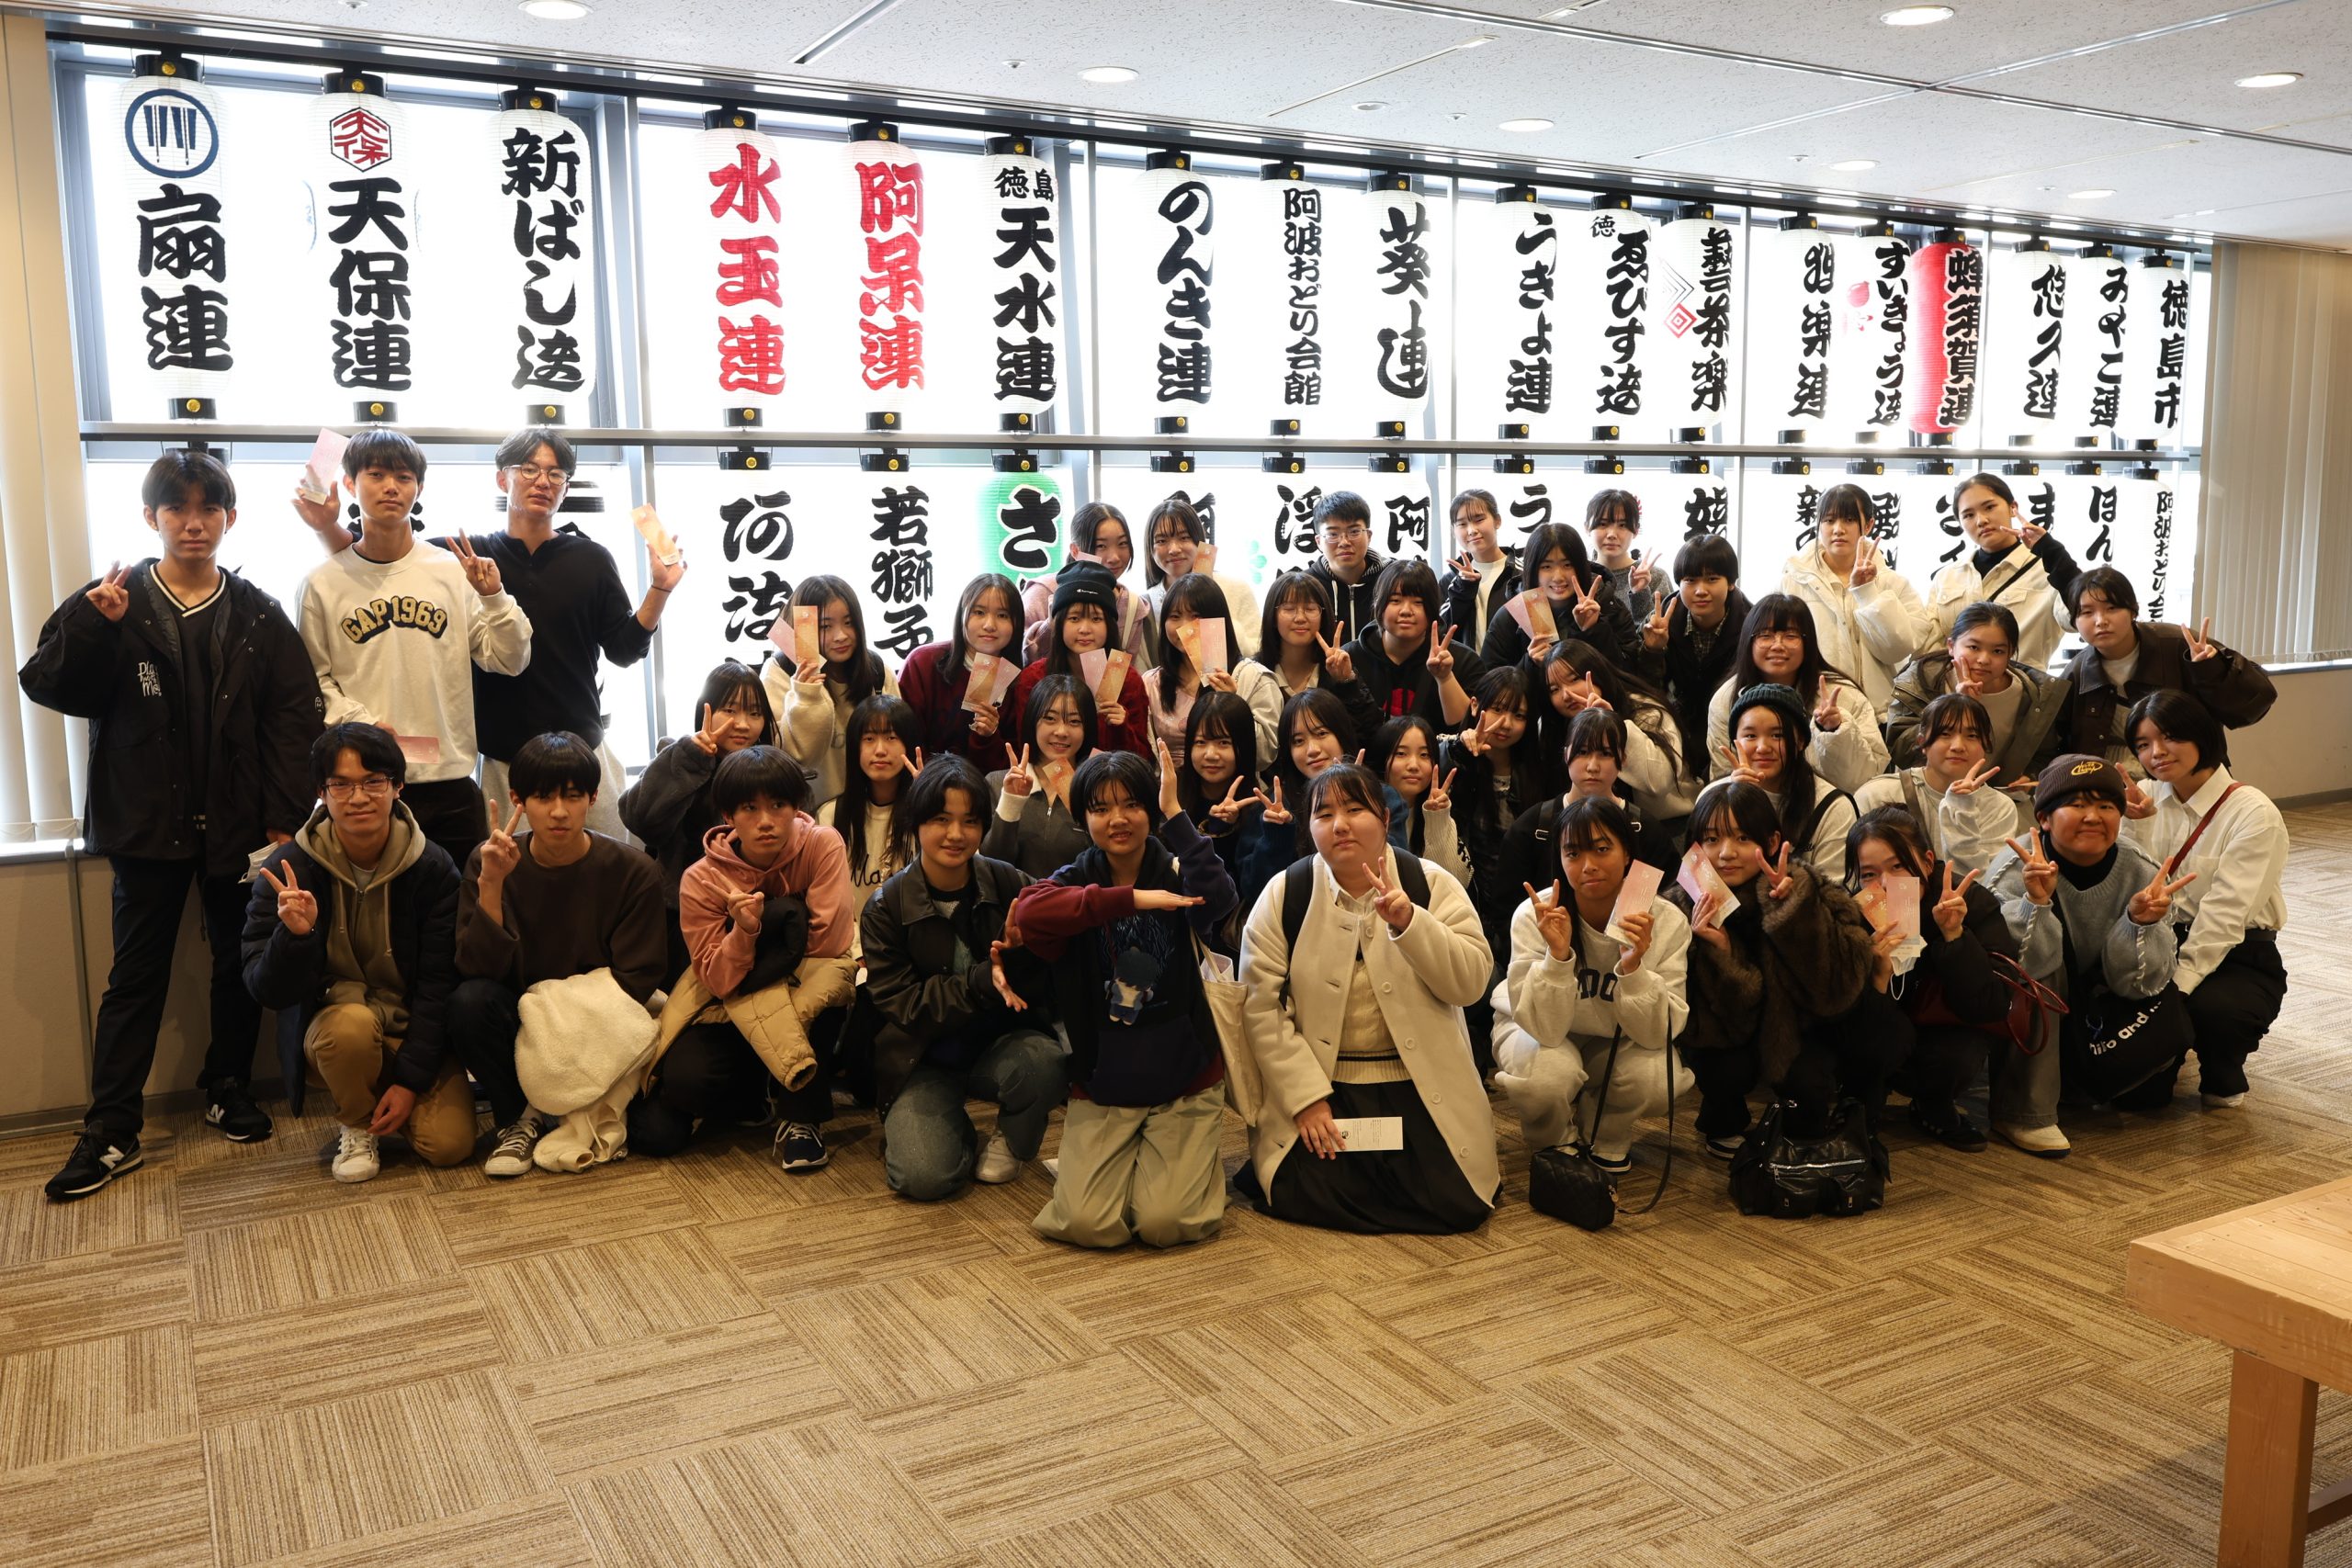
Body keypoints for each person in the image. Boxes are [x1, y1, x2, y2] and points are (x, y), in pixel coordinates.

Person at [22, 450, 319, 1200]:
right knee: (135, 977)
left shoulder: (257, 612)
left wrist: (283, 820)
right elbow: (48, 683)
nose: (193, 523)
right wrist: (93, 627)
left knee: (237, 963)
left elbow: (294, 718)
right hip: (146, 827)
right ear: (150, 516)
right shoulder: (112, 600)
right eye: (177, 508)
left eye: (208, 508)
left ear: (230, 518)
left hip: (239, 825)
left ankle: (226, 1084)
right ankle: (112, 1127)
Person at [295, 426, 679, 840]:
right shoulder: (463, 556)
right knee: (508, 867)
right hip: (501, 756)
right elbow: (380, 554)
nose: (542, 481)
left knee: (611, 860)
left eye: (555, 474)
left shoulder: (590, 558)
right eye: (529, 469)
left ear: (566, 487)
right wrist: (325, 528)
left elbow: (624, 649)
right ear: (502, 478)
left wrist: (659, 589)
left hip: (584, 744)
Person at [1236, 762, 1498, 1234]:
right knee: (1302, 1190)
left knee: (1454, 1201)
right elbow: (1260, 1007)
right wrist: (1305, 1099)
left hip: (1419, 1081)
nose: (1340, 825)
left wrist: (1412, 924)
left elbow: (1470, 984)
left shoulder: (1430, 883)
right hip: (1324, 1083)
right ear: (1309, 827)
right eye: (1324, 814)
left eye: (1355, 809)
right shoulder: (1285, 892)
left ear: (1384, 817)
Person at [1015, 747, 1238, 1248]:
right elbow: (1029, 914)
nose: (1117, 819)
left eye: (1132, 804)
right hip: (1104, 1083)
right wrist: (1131, 899)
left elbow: (1220, 898)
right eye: (1101, 808)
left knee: (1165, 1223)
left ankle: (1179, 1172)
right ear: (1083, 817)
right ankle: (1142, 1167)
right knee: (1086, 1223)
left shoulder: (1176, 869)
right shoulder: (1076, 878)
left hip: (1184, 1080)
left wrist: (1175, 813)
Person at [292, 428, 532, 874]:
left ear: (419, 487)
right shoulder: (320, 583)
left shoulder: (451, 571)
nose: (391, 487)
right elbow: (313, 683)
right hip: (366, 785)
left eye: (403, 477)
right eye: (376, 475)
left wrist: (496, 597)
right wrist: (362, 724)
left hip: (449, 781)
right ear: (350, 484)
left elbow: (510, 660)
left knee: (457, 908)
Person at [242, 725, 473, 1182]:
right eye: (341, 785)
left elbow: (438, 985)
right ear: (321, 793)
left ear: (398, 786)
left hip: (410, 1029)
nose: (359, 797)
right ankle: (357, 1123)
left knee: (450, 1146)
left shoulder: (432, 868)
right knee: (351, 1026)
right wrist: (297, 936)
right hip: (335, 1033)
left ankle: (384, 1094)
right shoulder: (290, 869)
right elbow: (264, 988)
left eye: (373, 781)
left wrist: (409, 1083)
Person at [448, 731, 668, 1178]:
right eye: (543, 797)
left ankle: (559, 1109)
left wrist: (560, 1012)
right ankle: (519, 1119)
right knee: (468, 1003)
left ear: (593, 798)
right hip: (519, 1015)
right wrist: (492, 884)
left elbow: (638, 977)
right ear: (518, 799)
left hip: (601, 1020)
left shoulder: (633, 870)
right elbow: (476, 969)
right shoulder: (489, 861)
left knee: (659, 1134)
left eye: (572, 796)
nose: (559, 811)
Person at [633, 745, 857, 1170]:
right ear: (728, 815)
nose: (766, 820)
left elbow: (830, 942)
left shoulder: (821, 844)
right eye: (750, 808)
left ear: (796, 807)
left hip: (801, 981)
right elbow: (716, 979)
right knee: (685, 1086)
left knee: (829, 980)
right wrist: (745, 932)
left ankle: (801, 1119)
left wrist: (769, 926)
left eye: (778, 805)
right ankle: (750, 1089)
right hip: (727, 999)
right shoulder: (701, 878)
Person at [863, 756, 1066, 1201]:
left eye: (970, 821)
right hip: (922, 1058)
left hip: (1000, 1044)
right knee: (923, 1179)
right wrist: (981, 980)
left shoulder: (1008, 882)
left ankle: (1012, 1140)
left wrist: (1024, 955)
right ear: (916, 822)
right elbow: (905, 1006)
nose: (956, 834)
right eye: (941, 819)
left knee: (1047, 1061)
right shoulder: (885, 907)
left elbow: (1048, 967)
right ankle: (949, 1133)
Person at [1666, 780, 1896, 1158]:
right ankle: (1722, 1118)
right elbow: (1698, 1022)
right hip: (1724, 1037)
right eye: (1711, 839)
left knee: (1809, 1089)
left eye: (1743, 838)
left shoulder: (1808, 889)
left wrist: (1795, 915)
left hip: (1797, 1031)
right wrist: (1722, 952)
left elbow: (1835, 993)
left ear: (1772, 842)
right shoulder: (1681, 906)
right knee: (1724, 1069)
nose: (1726, 853)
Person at [1982, 754, 2191, 1157]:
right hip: (2037, 1003)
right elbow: (2011, 969)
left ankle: (2086, 1080)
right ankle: (2023, 1112)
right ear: (2044, 818)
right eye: (2076, 805)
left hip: (2104, 1001)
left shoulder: (2141, 870)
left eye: (2106, 806)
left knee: (2149, 1098)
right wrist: (2034, 903)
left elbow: (2143, 984)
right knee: (2042, 971)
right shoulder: (2015, 868)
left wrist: (2139, 924)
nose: (2093, 817)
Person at [1499, 796, 1691, 1173]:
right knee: (1547, 1076)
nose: (1588, 865)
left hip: (1616, 1039)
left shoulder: (1665, 920)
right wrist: (1557, 958)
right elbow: (1544, 1030)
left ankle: (1606, 1133)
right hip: (1536, 1030)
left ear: (1627, 854)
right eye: (1573, 853)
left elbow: (1658, 1035)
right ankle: (1554, 1139)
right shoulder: (1537, 915)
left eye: (1602, 849)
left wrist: (1633, 968)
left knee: (1656, 1077)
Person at [2123, 692, 2289, 1111]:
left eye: (2169, 736)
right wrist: (2136, 826)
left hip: (2238, 951)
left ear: (2202, 736)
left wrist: (2175, 991)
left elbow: (2225, 916)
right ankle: (2163, 1060)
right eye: (2143, 744)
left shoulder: (2252, 812)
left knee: (2219, 1012)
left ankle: (2223, 1063)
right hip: (2156, 941)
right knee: (2140, 1101)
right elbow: (2130, 882)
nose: (2157, 752)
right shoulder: (2142, 798)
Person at [1846, 807, 2018, 1152]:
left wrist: (1954, 937)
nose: (1885, 885)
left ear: (1927, 862)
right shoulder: (1854, 910)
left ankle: (1932, 1105)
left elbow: (1992, 1005)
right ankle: (1857, 1107)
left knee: (1962, 1054)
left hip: (1941, 1029)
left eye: (1898, 866)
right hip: (1882, 1029)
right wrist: (1877, 975)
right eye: (1869, 874)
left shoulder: (1967, 901)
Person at [618, 659, 775, 983]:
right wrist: (692, 758)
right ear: (707, 709)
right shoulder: (679, 755)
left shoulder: (772, 771)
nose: (742, 724)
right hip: (682, 914)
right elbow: (640, 819)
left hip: (756, 911)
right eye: (729, 710)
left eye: (754, 713)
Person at [2064, 567, 2276, 771]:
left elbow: (2254, 704)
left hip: (2189, 775)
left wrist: (2210, 670)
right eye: (2087, 612)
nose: (2100, 621)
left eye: (2112, 608)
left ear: (2133, 611)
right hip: (2115, 781)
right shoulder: (2077, 672)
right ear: (2075, 622)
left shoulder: (2180, 645)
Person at [1704, 594, 1889, 794]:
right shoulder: (1726, 699)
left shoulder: (1843, 696)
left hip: (1829, 803)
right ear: (1748, 641)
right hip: (1751, 803)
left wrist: (1835, 732)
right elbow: (1722, 776)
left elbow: (1868, 778)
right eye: (1765, 636)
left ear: (1807, 643)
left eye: (1790, 636)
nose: (1777, 645)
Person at [1780, 483, 1932, 715]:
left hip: (1878, 714)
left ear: (1868, 525)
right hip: (1810, 710)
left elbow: (1898, 650)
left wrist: (1867, 592)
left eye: (1849, 520)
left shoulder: (1894, 584)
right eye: (1829, 520)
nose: (1838, 529)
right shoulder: (1792, 582)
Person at [1884, 602, 2068, 793]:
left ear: (2011, 654)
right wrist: (1954, 706)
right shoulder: (1922, 679)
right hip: (1927, 794)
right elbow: (1899, 749)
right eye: (1973, 647)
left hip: (1995, 800)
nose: (1983, 659)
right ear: (1951, 646)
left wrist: (2031, 775)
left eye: (1998, 651)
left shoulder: (2032, 696)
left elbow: (2045, 753)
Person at [762, 573, 899, 811]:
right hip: (805, 815)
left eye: (849, 622)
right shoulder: (780, 672)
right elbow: (799, 757)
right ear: (803, 628)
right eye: (826, 626)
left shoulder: (877, 671)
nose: (841, 636)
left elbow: (898, 740)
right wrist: (807, 693)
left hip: (868, 811)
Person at [1923, 472, 2081, 671]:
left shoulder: (2046, 569)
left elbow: (2076, 620)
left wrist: (2054, 554)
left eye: (1989, 507)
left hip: (2022, 688)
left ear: (2013, 508)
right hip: (1957, 688)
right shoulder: (1947, 577)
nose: (1981, 520)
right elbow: (1929, 646)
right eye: (1968, 515)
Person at [1857, 693, 2019, 874]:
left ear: (1985, 745)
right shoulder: (1879, 794)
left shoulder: (1999, 808)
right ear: (1922, 743)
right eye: (1945, 734)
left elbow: (1984, 881)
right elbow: (1861, 875)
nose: (1958, 746)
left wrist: (1962, 810)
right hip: (1894, 893)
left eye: (1972, 735)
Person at [1539, 640, 1697, 825]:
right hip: (1589, 825)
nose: (1566, 694)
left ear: (1598, 674)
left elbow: (1659, 783)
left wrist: (1616, 724)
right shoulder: (1553, 726)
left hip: (1665, 823)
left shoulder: (1647, 712)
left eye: (1574, 679)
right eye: (1555, 689)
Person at [1635, 532, 1749, 773]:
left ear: (1731, 582)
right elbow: (1645, 689)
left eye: (1712, 579)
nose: (1700, 590)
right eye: (1690, 580)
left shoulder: (1751, 624)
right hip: (1675, 732)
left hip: (1732, 731)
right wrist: (1652, 650)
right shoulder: (1661, 620)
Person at [1720, 682, 1858, 883]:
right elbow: (1696, 883)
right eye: (1750, 736)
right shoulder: (1713, 796)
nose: (1762, 747)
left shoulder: (1832, 807)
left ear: (1800, 741)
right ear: (1735, 741)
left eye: (1777, 735)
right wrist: (1738, 801)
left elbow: (1837, 894)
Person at [1009, 561, 1149, 756]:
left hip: (1108, 775)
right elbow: (1024, 748)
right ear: (1059, 623)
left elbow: (1143, 758)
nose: (1084, 629)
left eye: (1096, 619)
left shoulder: (1127, 680)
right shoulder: (1034, 679)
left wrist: (1121, 728)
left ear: (1109, 625)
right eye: (1074, 618)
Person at [1144, 572, 1281, 767]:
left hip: (1233, 783)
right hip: (1171, 784)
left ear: (1218, 619)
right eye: (1175, 616)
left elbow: (1265, 755)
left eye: (1196, 616)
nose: (1185, 626)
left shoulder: (1253, 677)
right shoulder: (1152, 682)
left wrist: (1234, 709)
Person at [896, 572, 1025, 775]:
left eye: (1002, 615)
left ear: (1016, 624)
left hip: (986, 789)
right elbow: (904, 739)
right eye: (979, 612)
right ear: (962, 616)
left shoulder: (1018, 681)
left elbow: (1011, 767)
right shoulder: (923, 663)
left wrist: (988, 736)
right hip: (925, 783)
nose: (989, 625)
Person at [1180, 689, 1291, 920]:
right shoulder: (1172, 794)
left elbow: (1254, 891)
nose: (1210, 754)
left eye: (1223, 742)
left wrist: (1223, 830)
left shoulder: (1261, 806)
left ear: (1244, 746)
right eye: (1200, 742)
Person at [1480, 522, 1637, 672]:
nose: (1558, 577)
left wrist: (1594, 631)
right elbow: (1488, 681)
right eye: (1546, 566)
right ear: (1532, 570)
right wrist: (1529, 665)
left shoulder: (1608, 606)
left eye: (1567, 565)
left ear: (1581, 567)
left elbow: (1631, 674)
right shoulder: (1512, 616)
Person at [1342, 559, 1482, 728]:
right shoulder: (1349, 660)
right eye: (1395, 600)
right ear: (1378, 604)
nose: (1406, 611)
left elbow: (1468, 729)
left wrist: (1445, 678)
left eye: (1418, 602)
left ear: (1433, 609)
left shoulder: (1464, 661)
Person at [986, 674, 1097, 877]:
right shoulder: (997, 783)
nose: (1061, 731)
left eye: (1074, 721)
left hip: (1077, 896)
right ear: (1032, 721)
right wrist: (1011, 802)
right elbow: (990, 866)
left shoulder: (1096, 788)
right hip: (1014, 897)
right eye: (1050, 719)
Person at [1020, 502, 1156, 666]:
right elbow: (1022, 660)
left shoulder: (1132, 606)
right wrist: (1050, 626)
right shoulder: (1042, 593)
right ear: (1075, 551)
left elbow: (1119, 673)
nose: (1114, 557)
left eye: (1122, 544)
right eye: (1101, 546)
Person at [816, 694, 919, 908]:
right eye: (869, 738)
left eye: (891, 738)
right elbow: (823, 895)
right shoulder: (830, 815)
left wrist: (929, 801)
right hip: (850, 928)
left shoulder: (925, 811)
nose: (880, 750)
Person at [1259, 570, 1385, 739]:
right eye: (1289, 609)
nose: (1300, 618)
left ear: (1323, 616)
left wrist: (1346, 683)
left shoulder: (1336, 667)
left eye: (1310, 609)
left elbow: (1370, 733)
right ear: (1272, 616)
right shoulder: (1256, 672)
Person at [1142, 496, 1260, 659]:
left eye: (1184, 538)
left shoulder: (1236, 589)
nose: (1174, 549)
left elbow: (1257, 652)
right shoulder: (1145, 605)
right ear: (1150, 549)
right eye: (1162, 541)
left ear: (1199, 541)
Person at [1368, 715, 1472, 890]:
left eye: (1424, 755)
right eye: (1401, 754)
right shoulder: (1366, 812)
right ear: (1381, 758)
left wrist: (1437, 819)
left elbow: (1455, 885)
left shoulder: (1440, 809)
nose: (1414, 765)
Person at [1436, 489, 1519, 651]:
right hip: (1463, 667)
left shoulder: (1521, 574)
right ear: (1453, 530)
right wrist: (1462, 589)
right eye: (1462, 524)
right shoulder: (1450, 580)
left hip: (1510, 668)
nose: (1472, 530)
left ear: (1497, 521)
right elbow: (1440, 631)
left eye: (1479, 519)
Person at [1304, 491, 1389, 636]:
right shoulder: (1305, 586)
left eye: (1354, 532)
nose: (1344, 542)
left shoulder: (1393, 579)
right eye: (1332, 534)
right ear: (1318, 542)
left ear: (1368, 536)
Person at [1584, 489, 1670, 625]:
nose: (1612, 534)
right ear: (1587, 527)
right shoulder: (1578, 576)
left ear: (1635, 530)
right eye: (1603, 524)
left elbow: (1660, 633)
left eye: (1622, 525)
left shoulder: (1655, 577)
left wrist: (1640, 593)